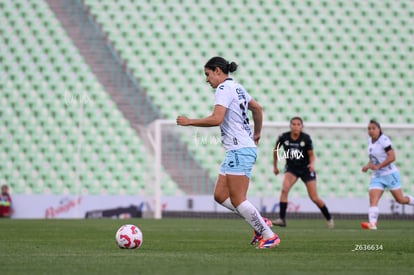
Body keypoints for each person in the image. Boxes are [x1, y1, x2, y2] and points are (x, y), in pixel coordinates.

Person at [176, 56, 280, 249]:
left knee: (238, 200)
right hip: (238, 149)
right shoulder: (237, 87)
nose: (207, 79)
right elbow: (257, 108)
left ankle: (269, 235)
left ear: (217, 71)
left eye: (207, 74)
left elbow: (217, 118)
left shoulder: (223, 88)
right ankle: (259, 221)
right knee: (220, 195)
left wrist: (190, 121)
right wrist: (257, 132)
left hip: (240, 149)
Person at [272, 117, 334, 228]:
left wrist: (312, 164)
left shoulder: (306, 138)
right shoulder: (283, 137)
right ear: (290, 126)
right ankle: (282, 219)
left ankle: (329, 218)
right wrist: (275, 166)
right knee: (284, 189)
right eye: (294, 124)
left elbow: (311, 155)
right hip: (292, 169)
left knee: (314, 197)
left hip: (306, 169)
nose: (296, 126)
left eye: (298, 124)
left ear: (301, 126)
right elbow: (275, 150)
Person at [360, 119, 414, 230]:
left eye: (373, 128)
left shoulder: (384, 140)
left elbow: (392, 157)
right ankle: (373, 224)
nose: (371, 131)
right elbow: (374, 160)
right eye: (369, 128)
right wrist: (367, 166)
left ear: (379, 129)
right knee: (372, 198)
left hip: (389, 174)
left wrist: (378, 166)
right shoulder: (370, 141)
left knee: (401, 200)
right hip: (377, 176)